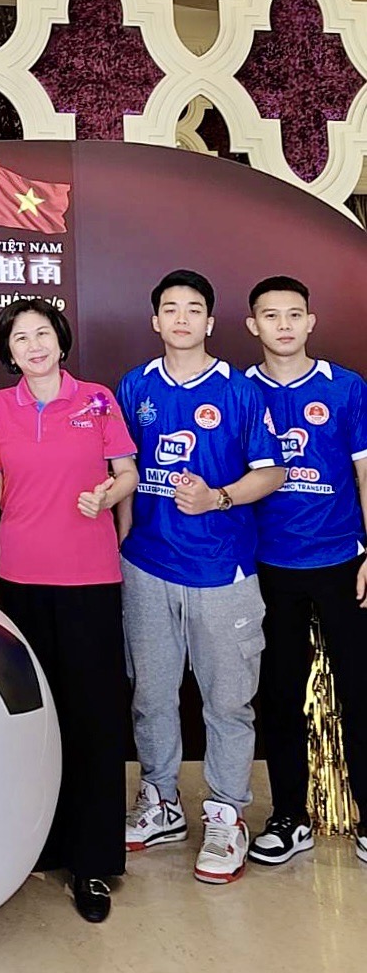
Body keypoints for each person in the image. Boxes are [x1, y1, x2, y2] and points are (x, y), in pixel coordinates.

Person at [0, 299, 138, 922]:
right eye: (20, 338)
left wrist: (107, 495)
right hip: (22, 580)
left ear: (60, 341)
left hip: (90, 578)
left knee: (93, 718)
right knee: (34, 716)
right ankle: (41, 844)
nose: (33, 345)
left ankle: (92, 862)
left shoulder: (97, 400)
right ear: (8, 351)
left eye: (43, 334)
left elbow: (127, 472)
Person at [117, 269, 284, 886]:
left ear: (210, 322)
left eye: (193, 308)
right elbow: (121, 468)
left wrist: (217, 498)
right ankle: (160, 800)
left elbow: (272, 473)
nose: (181, 318)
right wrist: (120, 540)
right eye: (170, 308)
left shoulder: (240, 391)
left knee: (227, 701)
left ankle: (226, 813)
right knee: (152, 695)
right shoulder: (136, 385)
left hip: (222, 571)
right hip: (147, 565)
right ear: (155, 320)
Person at [244, 275, 367, 867]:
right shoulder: (240, 390)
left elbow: (365, 473)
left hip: (342, 561)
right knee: (279, 693)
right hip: (268, 566)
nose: (284, 325)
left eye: (294, 314)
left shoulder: (346, 387)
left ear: (311, 321)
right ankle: (289, 817)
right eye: (271, 316)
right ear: (253, 326)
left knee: (360, 690)